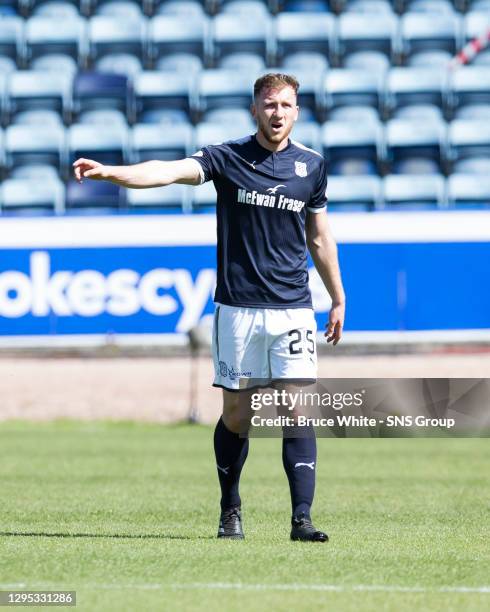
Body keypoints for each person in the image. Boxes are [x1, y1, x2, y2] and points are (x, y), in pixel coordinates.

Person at [73, 73, 345, 543]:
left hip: (293, 309)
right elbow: (169, 170)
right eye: (268, 104)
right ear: (254, 109)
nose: (277, 112)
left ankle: (302, 519)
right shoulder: (228, 157)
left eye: (285, 104)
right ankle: (230, 508)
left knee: (297, 410)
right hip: (237, 309)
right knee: (238, 416)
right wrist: (112, 172)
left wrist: (337, 297)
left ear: (297, 111)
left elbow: (319, 237)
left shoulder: (312, 167)